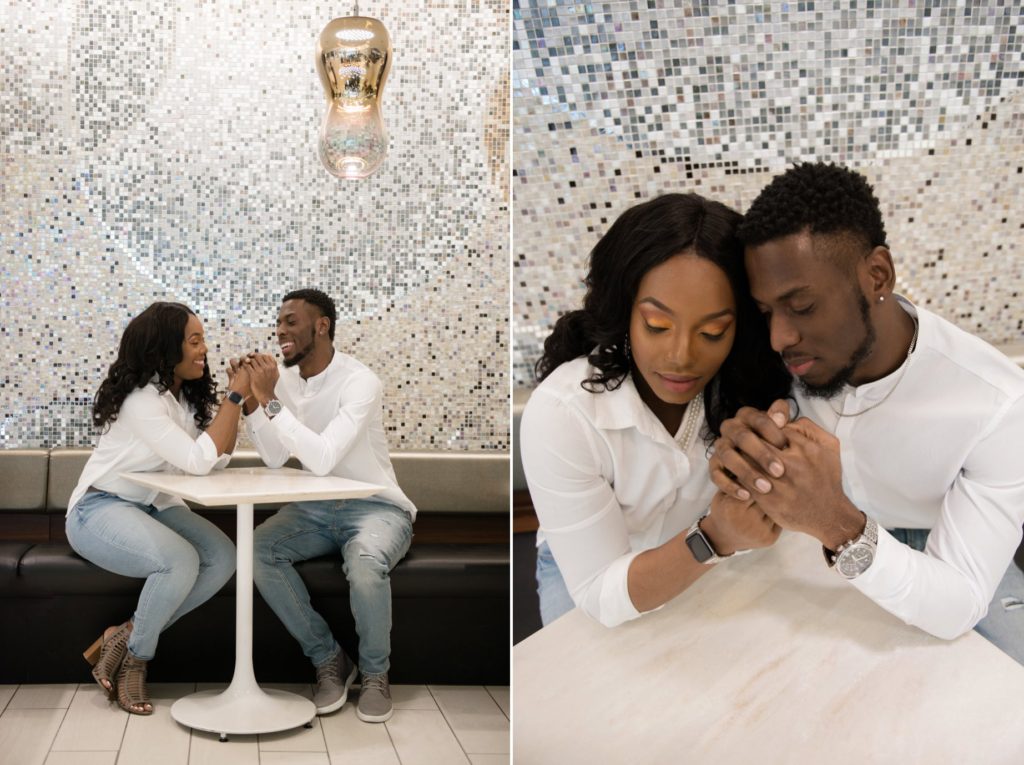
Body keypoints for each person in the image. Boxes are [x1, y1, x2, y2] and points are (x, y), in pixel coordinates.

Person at [709, 162, 1024, 664]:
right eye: (768, 312)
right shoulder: (766, 359)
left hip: (942, 549)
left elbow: (959, 602)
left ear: (877, 274)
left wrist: (836, 523)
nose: (779, 338)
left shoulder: (997, 405)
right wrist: (737, 466)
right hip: (796, 555)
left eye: (803, 306)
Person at [519, 193, 792, 628]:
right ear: (624, 310)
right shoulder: (564, 413)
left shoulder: (755, 383)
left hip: (717, 560)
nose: (681, 356)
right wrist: (716, 537)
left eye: (712, 331)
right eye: (657, 326)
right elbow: (598, 593)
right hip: (591, 570)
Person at [235, 288, 416, 722]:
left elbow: (321, 457)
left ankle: (375, 674)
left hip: (376, 506)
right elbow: (277, 457)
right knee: (256, 549)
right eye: (278, 323)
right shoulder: (283, 380)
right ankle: (329, 659)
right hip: (314, 510)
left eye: (291, 321)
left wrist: (271, 399)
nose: (280, 331)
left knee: (367, 564)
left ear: (322, 326)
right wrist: (251, 403)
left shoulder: (360, 382)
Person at [67, 302, 247, 714]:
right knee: (179, 561)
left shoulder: (179, 399)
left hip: (152, 503)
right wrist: (235, 396)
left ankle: (124, 635)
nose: (204, 349)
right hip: (98, 507)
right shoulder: (141, 401)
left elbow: (216, 456)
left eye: (204, 339)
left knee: (223, 557)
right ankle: (137, 659)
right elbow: (201, 460)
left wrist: (236, 403)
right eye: (194, 340)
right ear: (165, 348)